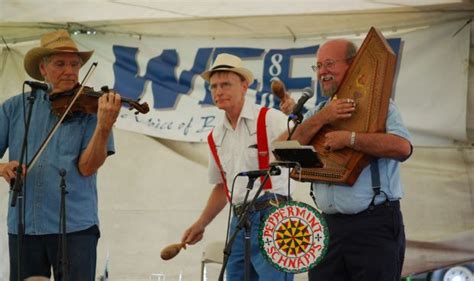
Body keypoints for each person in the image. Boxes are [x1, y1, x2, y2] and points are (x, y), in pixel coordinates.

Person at [279, 39, 413, 281]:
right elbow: (283, 146)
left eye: (329, 64)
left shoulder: (381, 108)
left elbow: (402, 147)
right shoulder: (318, 111)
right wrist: (323, 117)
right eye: (318, 66)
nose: (322, 72)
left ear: (354, 65)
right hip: (328, 227)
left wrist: (351, 139)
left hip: (373, 225)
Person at [0, 30, 121, 280]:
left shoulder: (92, 109)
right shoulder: (15, 107)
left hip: (75, 227)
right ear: (42, 69)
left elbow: (87, 168)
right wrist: (3, 168)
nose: (70, 71)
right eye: (60, 64)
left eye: (75, 64)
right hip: (24, 224)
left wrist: (104, 126)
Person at [181, 53, 294, 281]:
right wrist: (201, 223)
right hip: (239, 218)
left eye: (225, 84)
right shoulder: (216, 135)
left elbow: (303, 145)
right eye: (213, 86)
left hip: (273, 212)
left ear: (244, 86)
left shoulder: (270, 118)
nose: (218, 91)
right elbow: (223, 186)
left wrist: (294, 121)